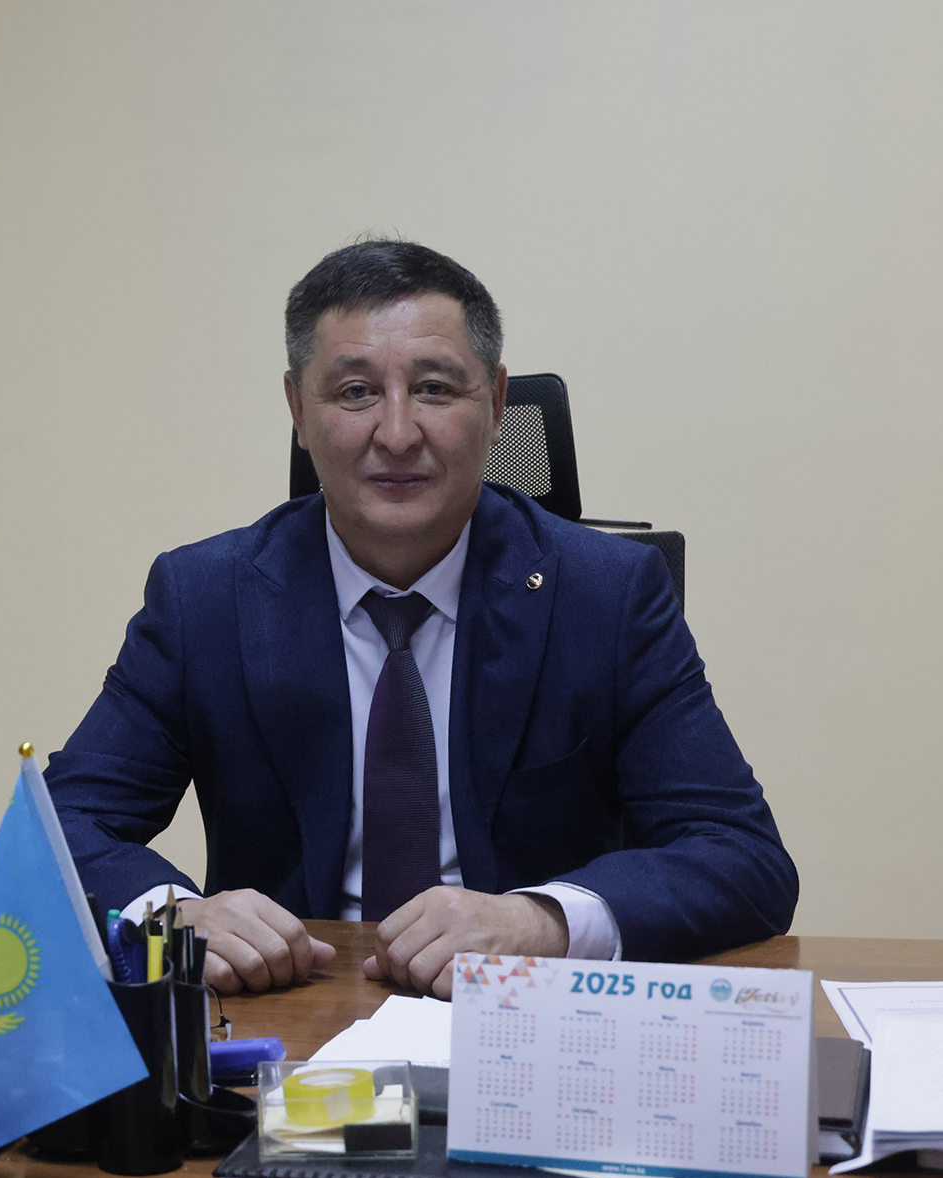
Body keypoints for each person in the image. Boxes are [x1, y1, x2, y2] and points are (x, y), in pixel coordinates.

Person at [46, 239, 797, 1000]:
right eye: (356, 393)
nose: (398, 433)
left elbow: (742, 857)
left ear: (496, 404)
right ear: (298, 410)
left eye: (435, 388)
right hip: (289, 1016)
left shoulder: (606, 596)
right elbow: (60, 829)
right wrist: (171, 917)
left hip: (521, 1017)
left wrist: (543, 921)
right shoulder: (205, 599)